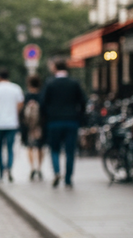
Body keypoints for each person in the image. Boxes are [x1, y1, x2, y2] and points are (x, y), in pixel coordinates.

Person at [40, 58, 87, 188]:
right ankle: (68, 178)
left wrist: (46, 116)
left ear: (55, 68)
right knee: (70, 151)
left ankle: (56, 172)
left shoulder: (50, 83)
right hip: (72, 120)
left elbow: (42, 103)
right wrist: (79, 115)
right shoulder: (74, 83)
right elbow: (83, 101)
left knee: (54, 149)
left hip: (54, 121)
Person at [0, 68, 24, 182]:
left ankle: (1, 171)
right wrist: (14, 114)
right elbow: (20, 104)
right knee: (10, 148)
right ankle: (9, 168)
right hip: (12, 123)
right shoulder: (16, 88)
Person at [21, 74, 44, 181]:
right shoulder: (42, 95)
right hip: (40, 125)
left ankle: (32, 167)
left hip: (29, 126)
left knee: (29, 146)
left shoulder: (26, 96)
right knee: (40, 146)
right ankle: (39, 168)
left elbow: (22, 111)